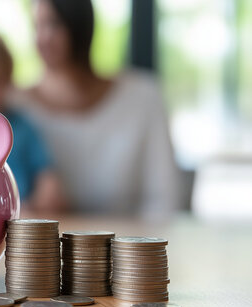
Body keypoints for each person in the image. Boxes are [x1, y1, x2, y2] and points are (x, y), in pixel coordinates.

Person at [12, 0, 181, 216]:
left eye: (54, 24)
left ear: (81, 26)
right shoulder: (14, 106)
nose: (42, 38)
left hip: (128, 245)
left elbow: (164, 200)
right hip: (47, 247)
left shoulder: (143, 99)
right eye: (36, 27)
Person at [0, 34, 65, 212]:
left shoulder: (22, 128)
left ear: (8, 81)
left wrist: (40, 200)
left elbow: (49, 182)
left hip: (17, 217)